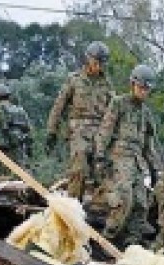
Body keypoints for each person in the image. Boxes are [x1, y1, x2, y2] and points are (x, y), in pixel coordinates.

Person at [93, 64, 161, 247]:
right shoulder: (119, 103)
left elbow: (148, 146)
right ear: (133, 84)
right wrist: (99, 155)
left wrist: (154, 169)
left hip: (137, 162)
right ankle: (106, 240)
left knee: (141, 204)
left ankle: (132, 243)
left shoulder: (146, 114)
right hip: (119, 158)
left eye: (147, 89)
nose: (143, 92)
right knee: (124, 199)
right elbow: (105, 131)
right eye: (141, 87)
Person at [46, 41, 114, 199]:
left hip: (100, 132)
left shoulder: (107, 85)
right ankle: (72, 207)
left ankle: (98, 210)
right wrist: (51, 131)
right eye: (96, 62)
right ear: (88, 60)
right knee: (79, 169)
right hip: (78, 131)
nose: (99, 66)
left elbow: (113, 113)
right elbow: (59, 106)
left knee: (103, 171)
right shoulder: (74, 80)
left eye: (102, 63)